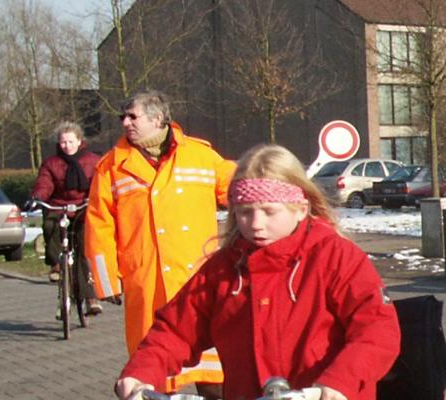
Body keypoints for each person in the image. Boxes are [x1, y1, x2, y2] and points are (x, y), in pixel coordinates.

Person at [113, 144, 400, 400]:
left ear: (300, 209)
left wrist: (340, 382)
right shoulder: (225, 268)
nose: (256, 224)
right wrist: (140, 372)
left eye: (269, 211)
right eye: (245, 212)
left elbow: (376, 330)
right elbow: (176, 330)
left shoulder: (335, 257)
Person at [86, 89, 236, 393]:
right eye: (122, 117)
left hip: (198, 278)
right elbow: (99, 226)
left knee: (215, 376)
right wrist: (106, 282)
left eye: (132, 116)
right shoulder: (111, 167)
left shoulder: (200, 155)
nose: (125, 122)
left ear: (157, 118)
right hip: (147, 281)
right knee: (153, 375)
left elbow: (239, 189)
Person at [27, 121, 102, 315]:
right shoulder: (51, 163)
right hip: (58, 206)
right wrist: (37, 198)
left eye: (70, 141)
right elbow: (45, 184)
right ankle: (55, 265)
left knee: (85, 248)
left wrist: (97, 199)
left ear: (79, 141)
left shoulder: (93, 161)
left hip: (83, 206)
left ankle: (91, 297)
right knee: (50, 225)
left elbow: (99, 184)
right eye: (62, 142)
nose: (66, 146)